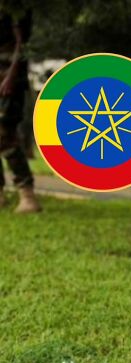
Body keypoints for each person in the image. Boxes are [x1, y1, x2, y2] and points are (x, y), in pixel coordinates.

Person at [0, 8, 40, 213]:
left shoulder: (13, 6)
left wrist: (11, 76)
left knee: (4, 135)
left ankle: (27, 195)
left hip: (9, 78)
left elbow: (21, 43)